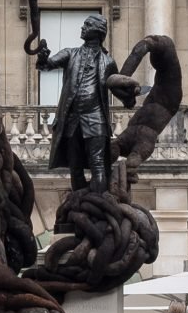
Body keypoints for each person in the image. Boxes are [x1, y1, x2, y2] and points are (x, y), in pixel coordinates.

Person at [36, 13, 134, 193]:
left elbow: (117, 88)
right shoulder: (70, 53)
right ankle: (79, 200)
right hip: (72, 119)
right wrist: (42, 57)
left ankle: (98, 201)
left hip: (96, 119)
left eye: (87, 25)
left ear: (97, 31)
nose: (82, 28)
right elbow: (47, 65)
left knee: (98, 164)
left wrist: (130, 96)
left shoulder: (108, 62)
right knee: (75, 165)